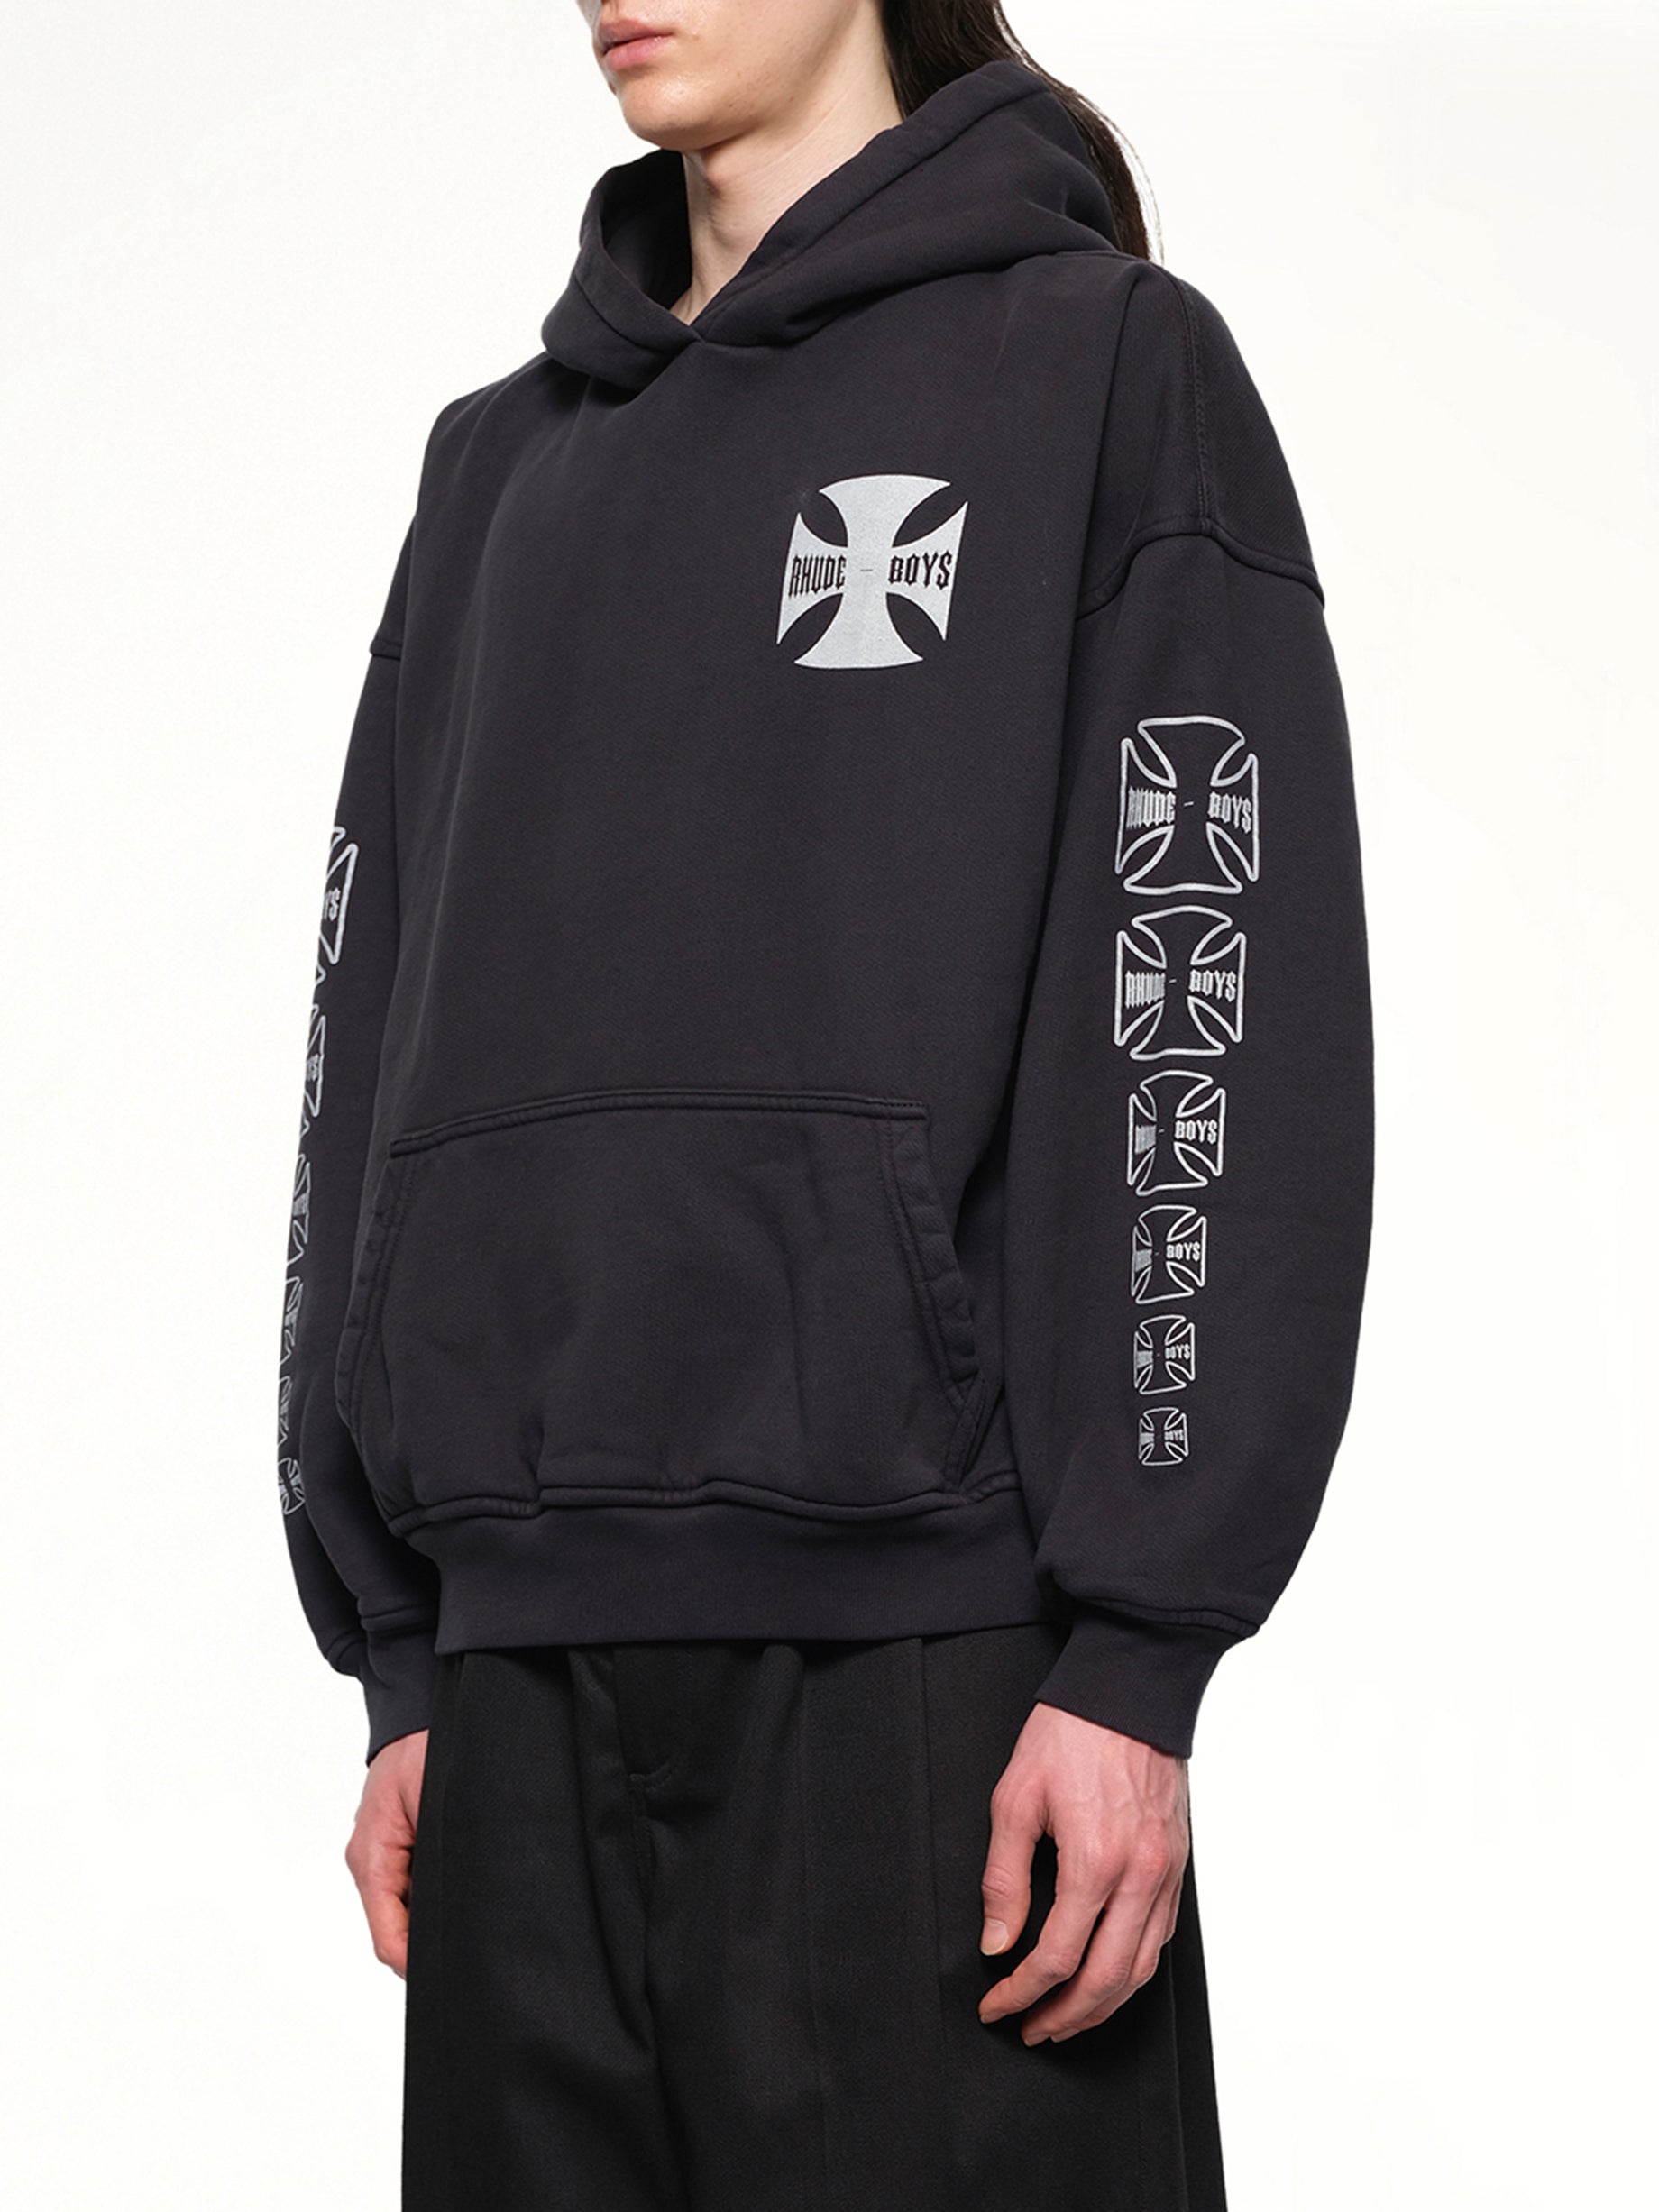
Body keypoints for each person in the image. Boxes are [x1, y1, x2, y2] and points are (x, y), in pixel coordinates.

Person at [274, 3, 1372, 2204]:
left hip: (933, 1676)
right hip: (514, 1686)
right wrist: (403, 1651)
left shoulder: (1101, 367)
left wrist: (1137, 1651)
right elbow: (367, 1028)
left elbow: (1200, 1004)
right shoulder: (489, 474)